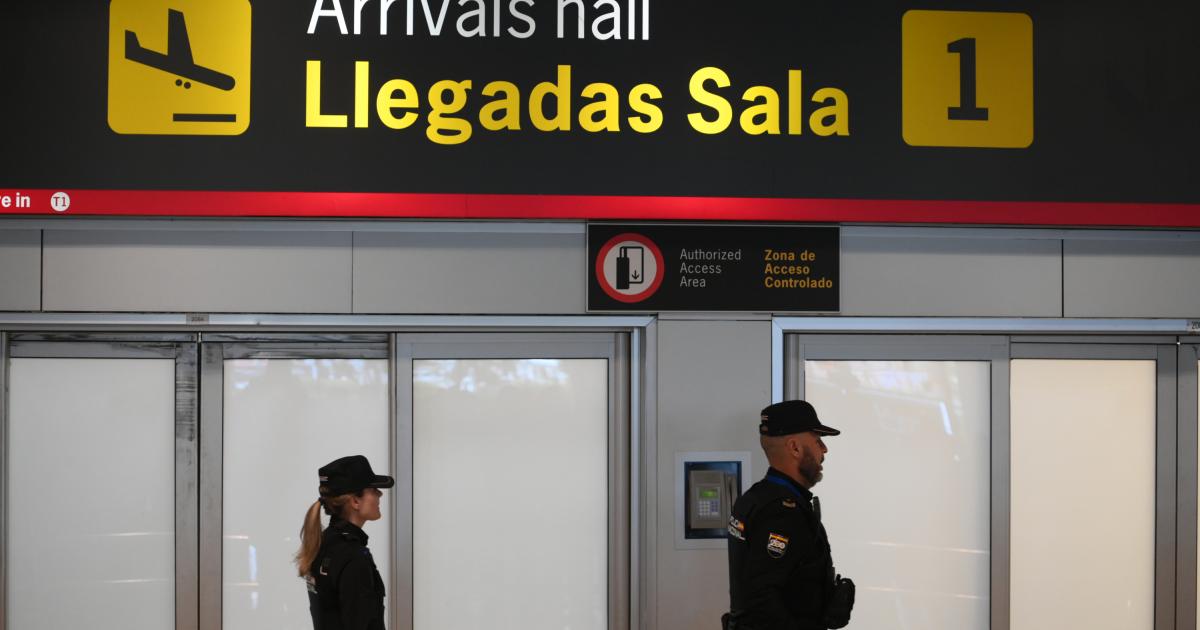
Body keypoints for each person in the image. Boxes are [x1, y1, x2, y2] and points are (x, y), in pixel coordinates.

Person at [723, 400, 855, 630]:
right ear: (794, 448)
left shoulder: (756, 498)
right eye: (817, 441)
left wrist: (824, 600)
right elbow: (761, 602)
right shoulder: (782, 512)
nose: (824, 449)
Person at [296, 455, 395, 630]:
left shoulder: (324, 543)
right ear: (355, 501)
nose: (380, 494)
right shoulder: (353, 556)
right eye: (372, 490)